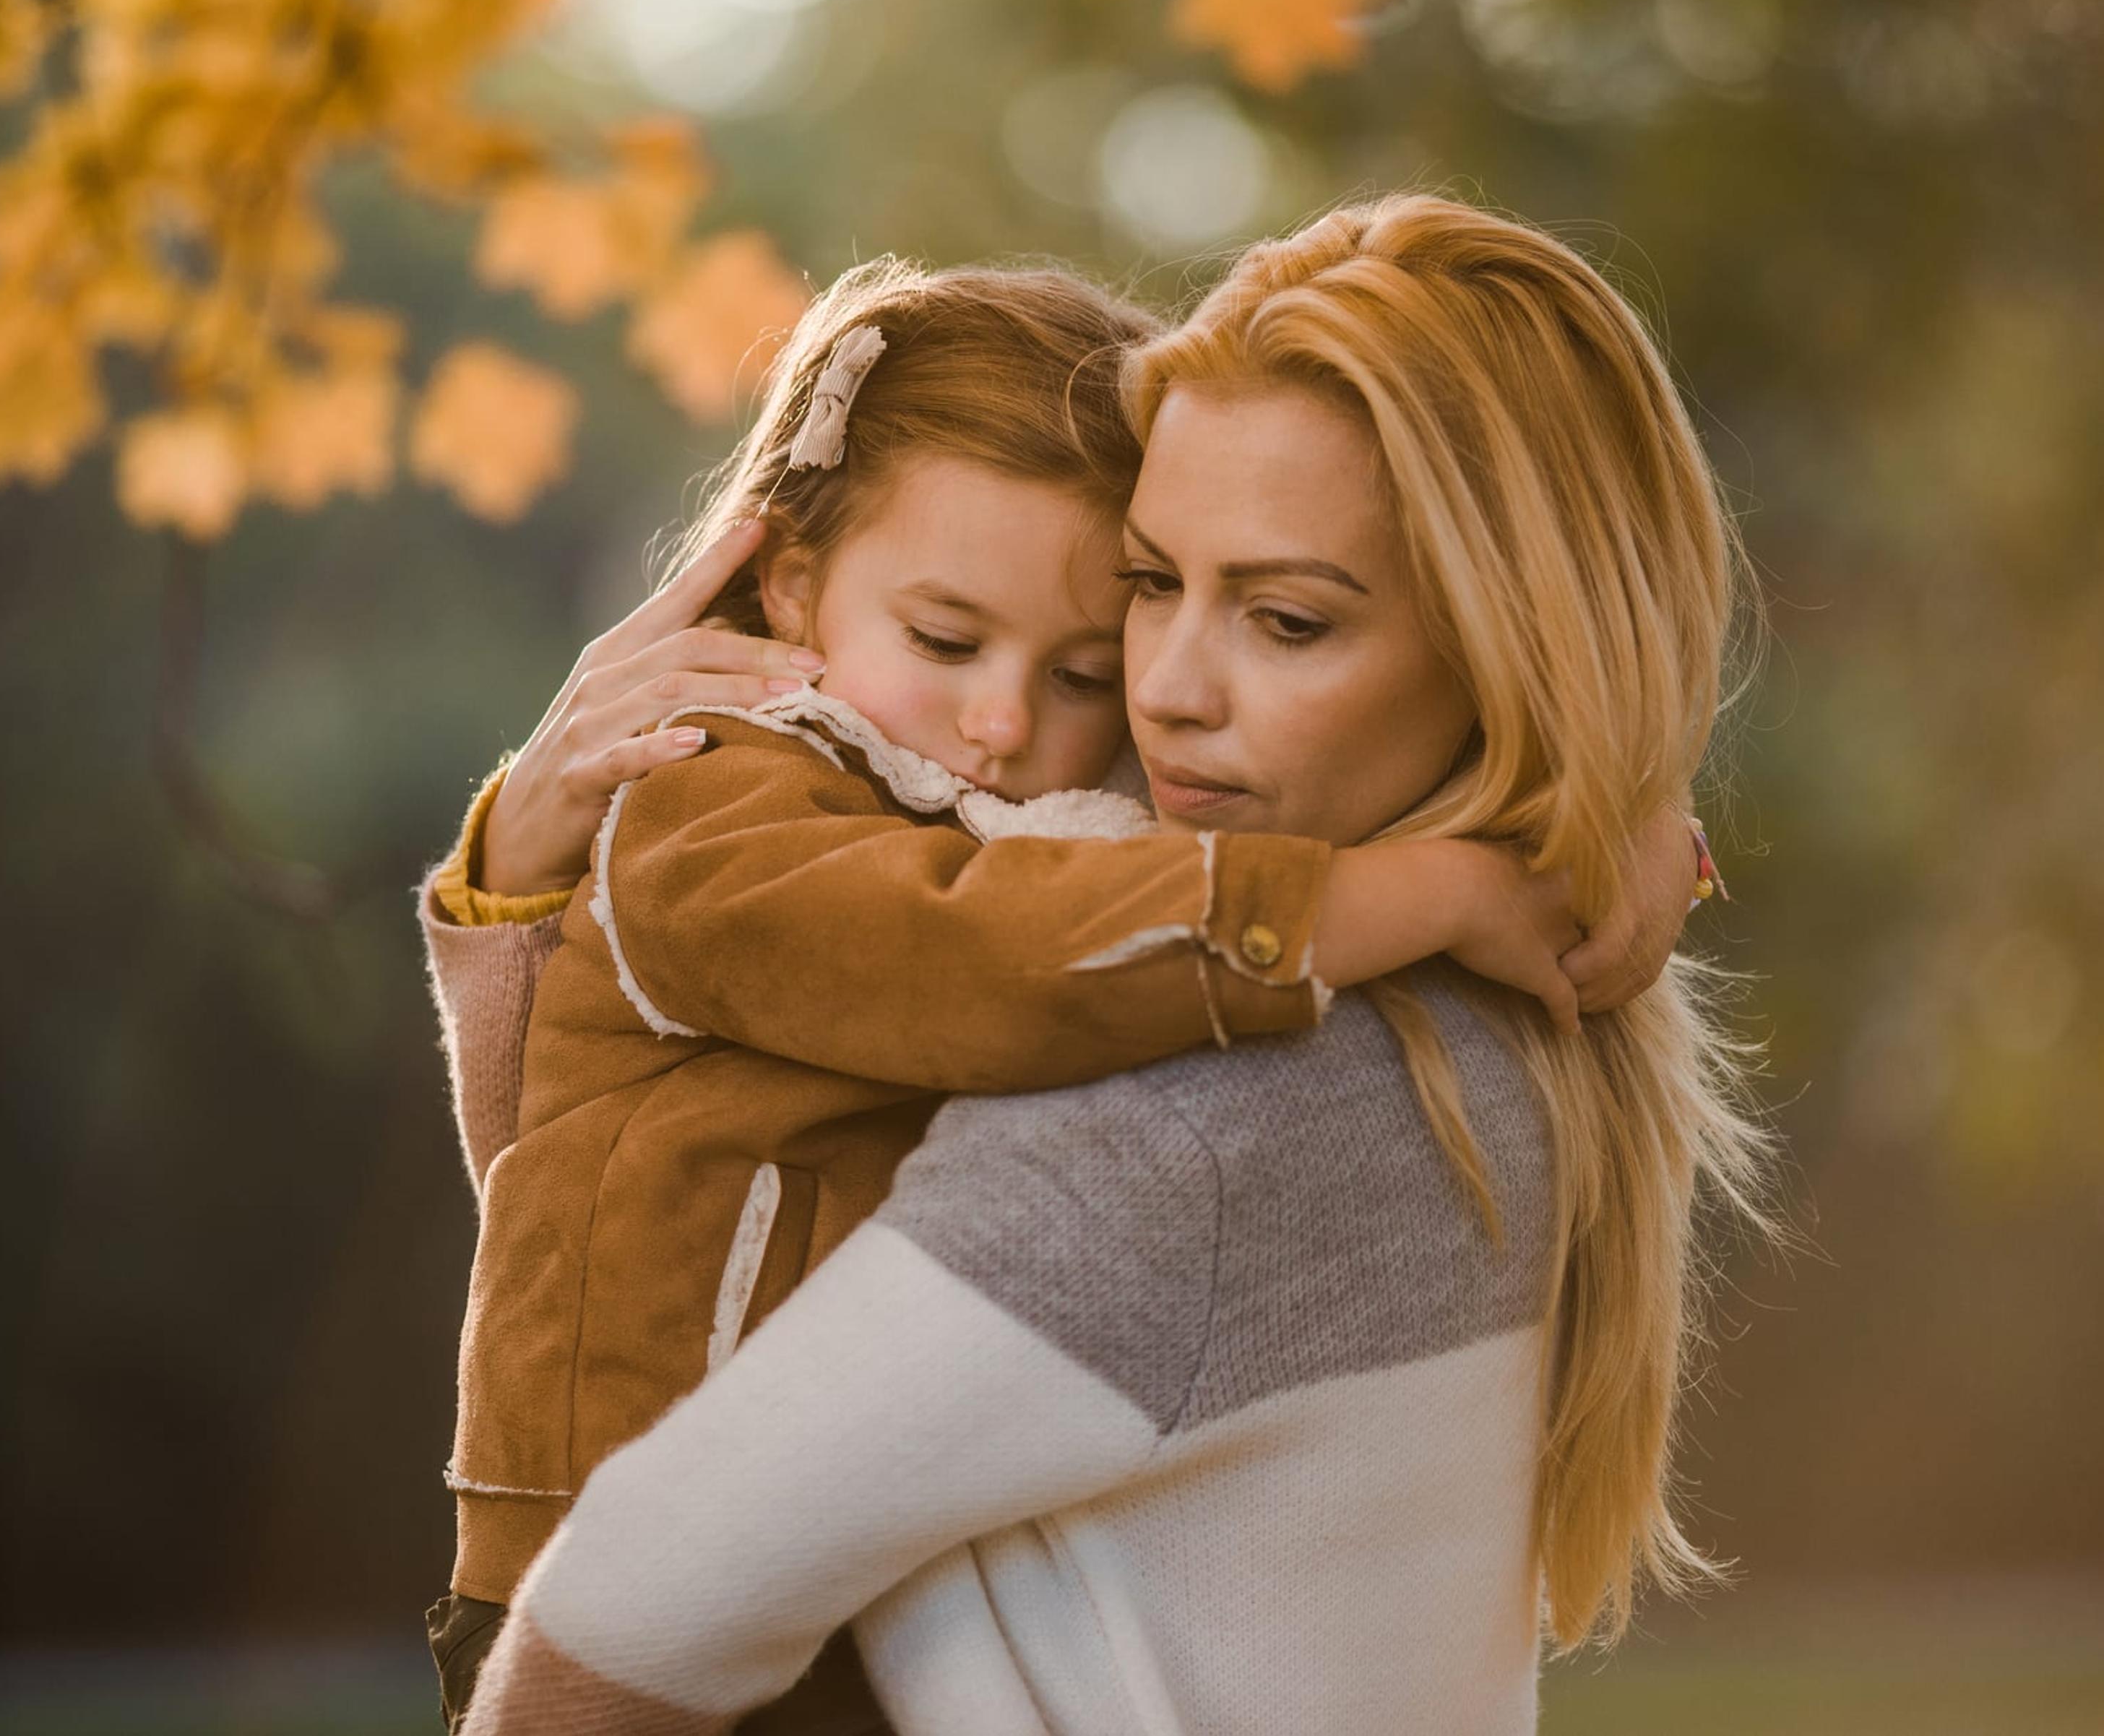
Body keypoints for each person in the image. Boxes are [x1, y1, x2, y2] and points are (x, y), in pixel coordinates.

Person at [431, 197, 1756, 1732]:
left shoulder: (1205, 1101)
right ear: (793, 586)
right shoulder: (1471, 1024)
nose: (1160, 694)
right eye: (1151, 582)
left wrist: (1565, 838)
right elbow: (630, 1175)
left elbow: (627, 1599)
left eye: (1284, 616)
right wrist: (528, 889)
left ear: (1507, 650)